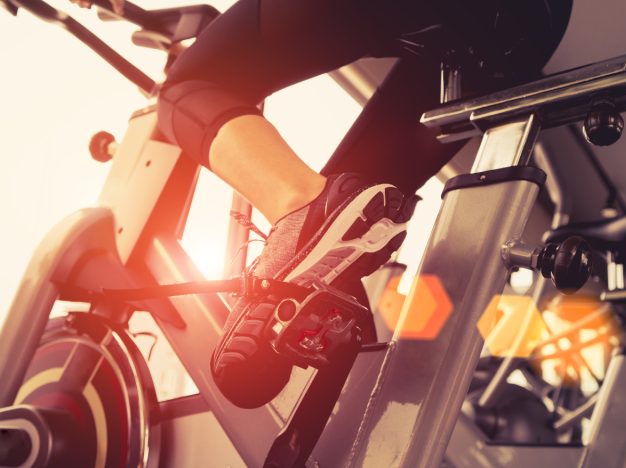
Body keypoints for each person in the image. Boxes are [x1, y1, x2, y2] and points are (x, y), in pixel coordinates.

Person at [73, 0, 568, 409]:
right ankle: (305, 308)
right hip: (532, 25)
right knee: (353, 203)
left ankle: (298, 206)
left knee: (190, 86)